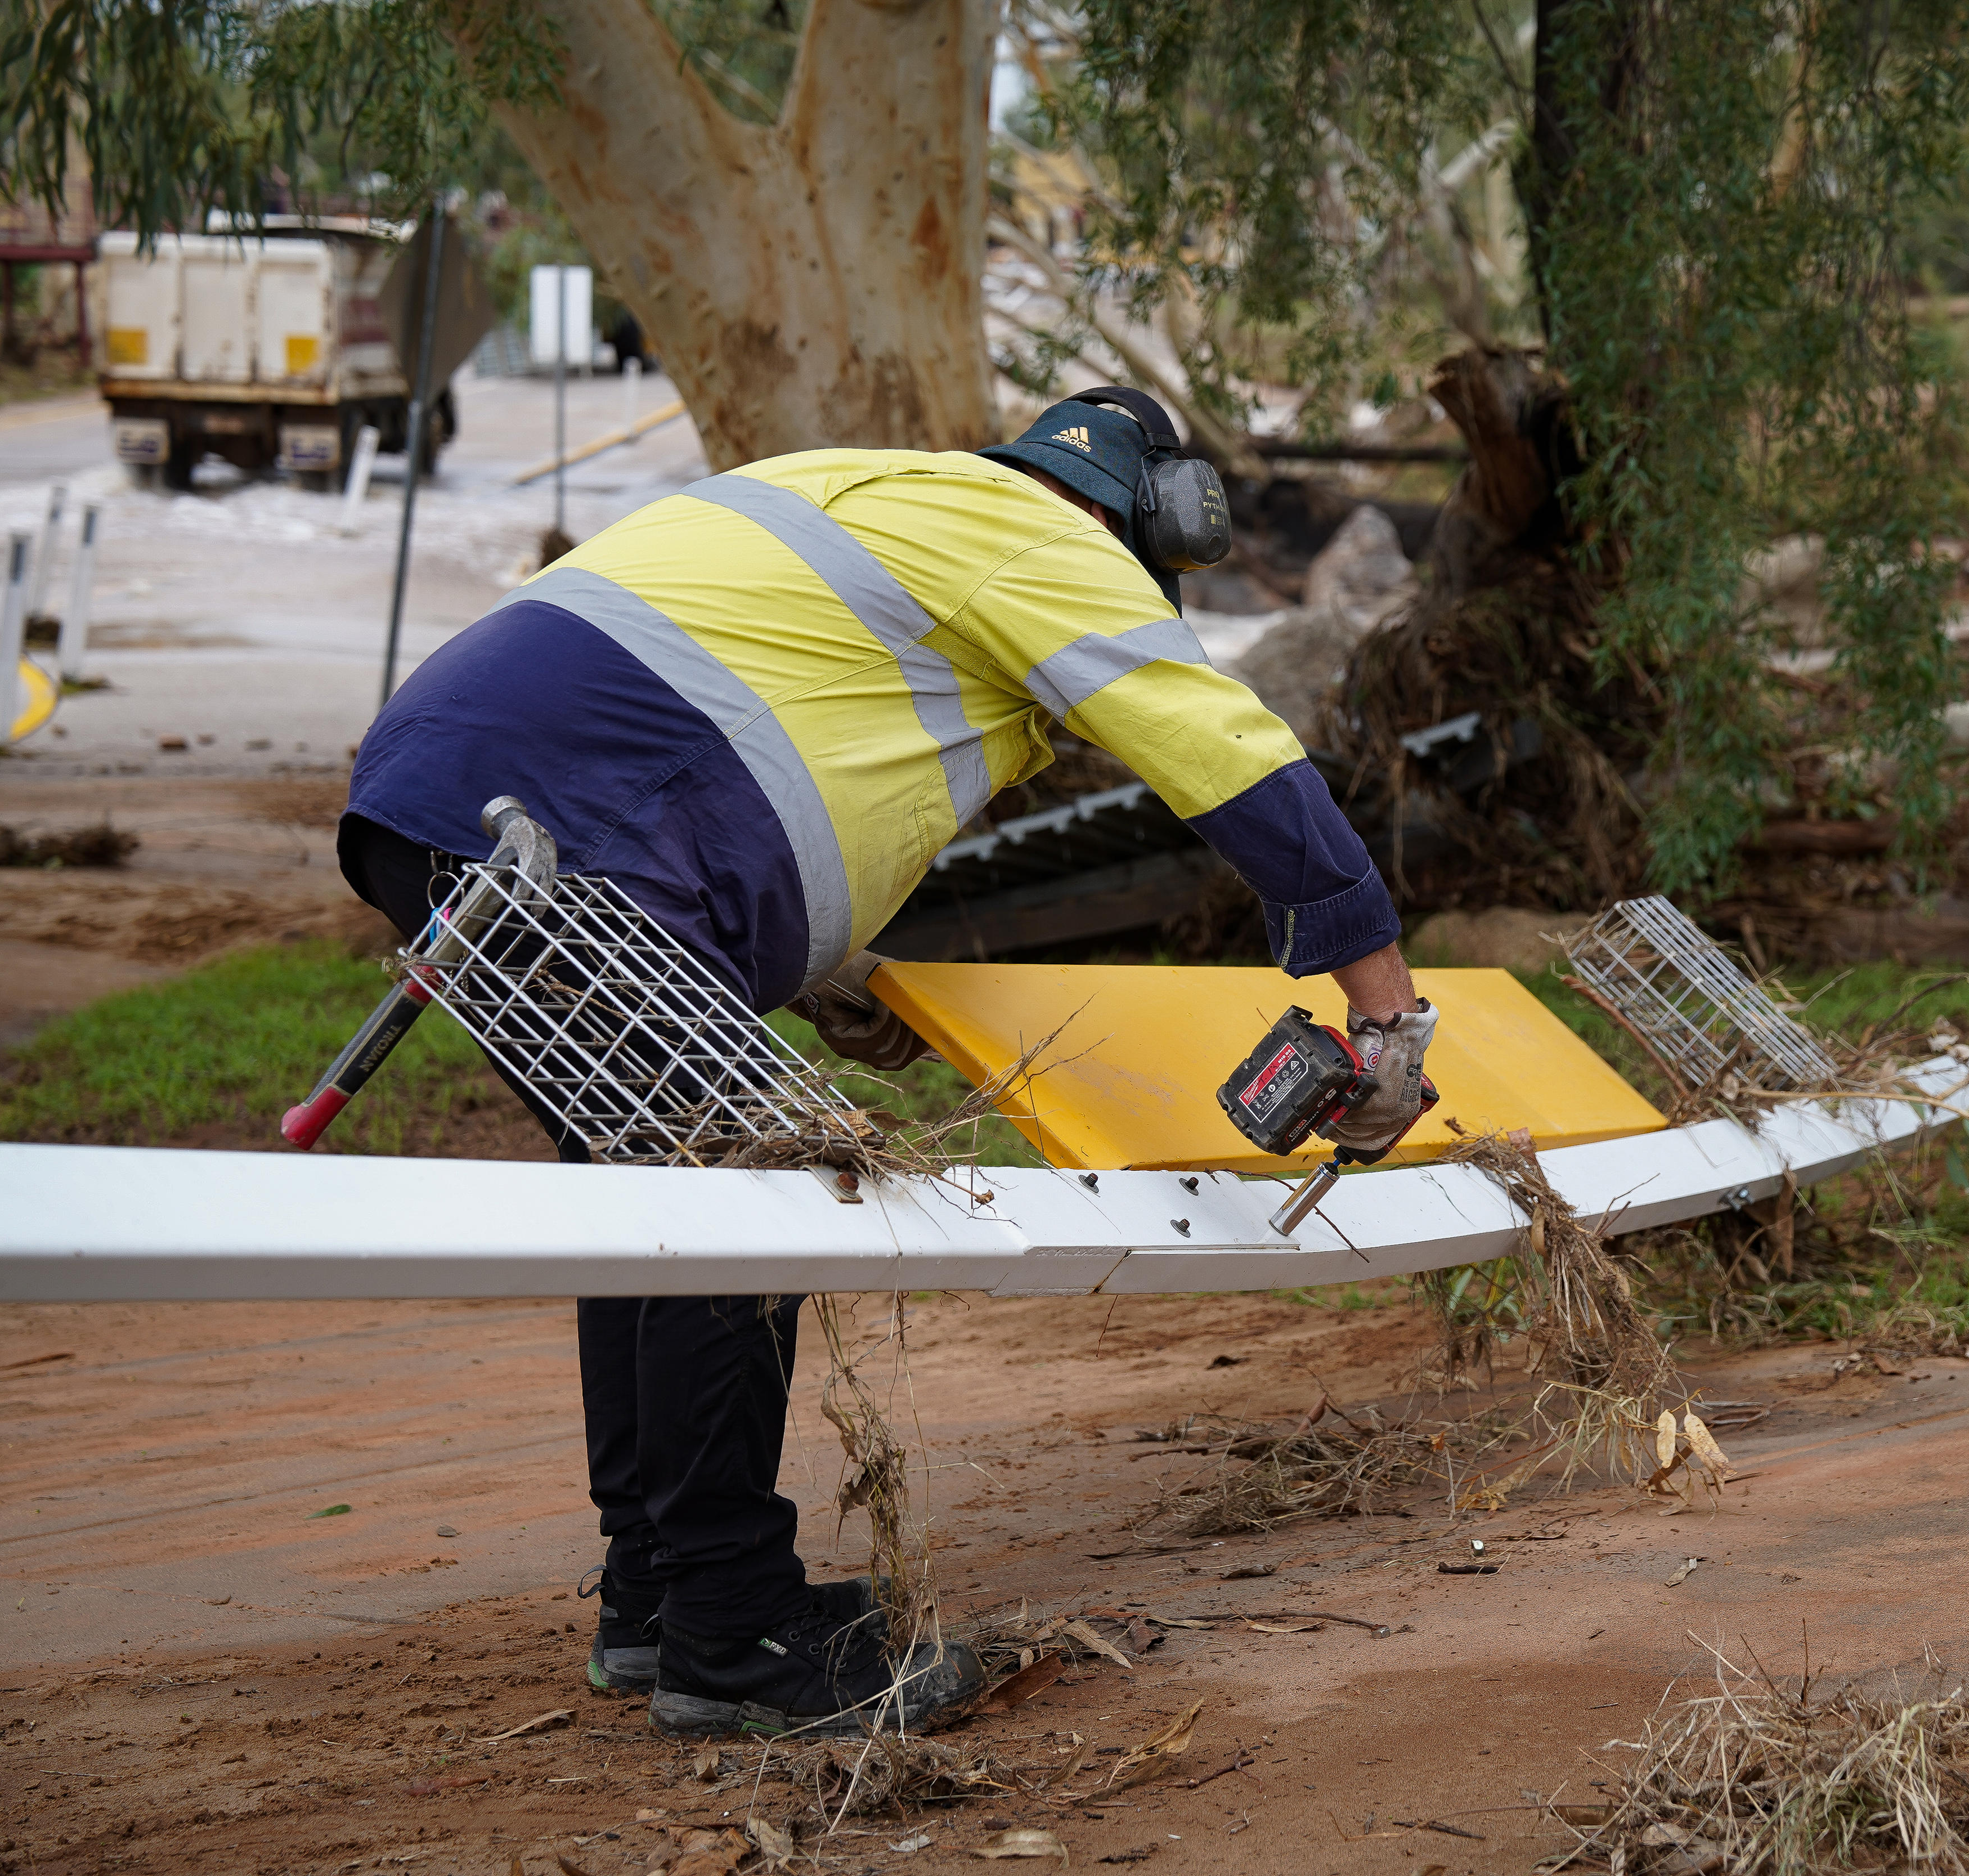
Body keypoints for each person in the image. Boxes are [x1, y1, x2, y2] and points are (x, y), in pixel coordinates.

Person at [336, 388, 1438, 1740]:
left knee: (648, 1197)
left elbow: (758, 724)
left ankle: (662, 1596)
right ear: (1145, 522)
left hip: (452, 803)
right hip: (566, 825)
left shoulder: (881, 491)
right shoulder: (1045, 537)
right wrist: (1378, 992)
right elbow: (1223, 744)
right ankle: (731, 1633)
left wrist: (824, 967)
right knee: (741, 1177)